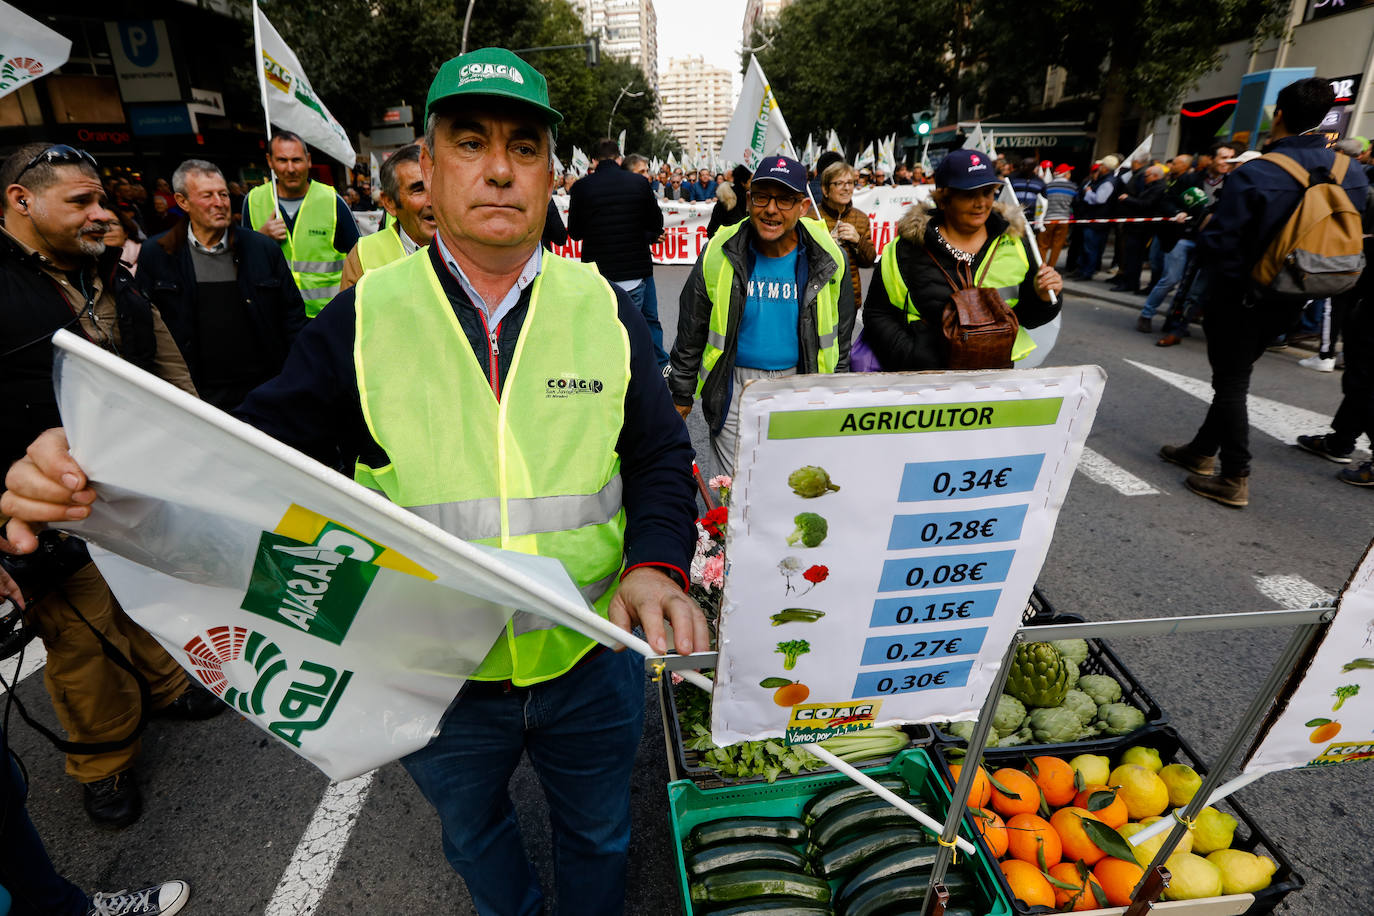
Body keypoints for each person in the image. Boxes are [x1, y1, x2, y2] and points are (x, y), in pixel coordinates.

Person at [3, 49, 706, 916]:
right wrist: (93, 465)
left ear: (549, 175)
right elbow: (243, 460)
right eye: (471, 142)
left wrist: (657, 565)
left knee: (599, 835)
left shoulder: (602, 307)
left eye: (524, 148)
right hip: (433, 675)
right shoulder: (366, 315)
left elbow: (658, 455)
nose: (498, 169)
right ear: (427, 170)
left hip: (590, 657)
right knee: (473, 837)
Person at [0, 143, 226, 830]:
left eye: (101, 199)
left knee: (145, 597)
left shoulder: (107, 273)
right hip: (49, 508)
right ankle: (104, 764)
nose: (101, 213)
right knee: (84, 641)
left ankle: (165, 686)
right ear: (21, 201)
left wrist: (208, 450)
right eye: (82, 201)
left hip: (134, 492)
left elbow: (167, 369)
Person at [1161, 78, 1369, 507]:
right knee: (1235, 375)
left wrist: (1205, 229)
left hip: (1243, 294)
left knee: (1231, 381)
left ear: (1279, 115)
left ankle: (1234, 476)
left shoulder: (1257, 172)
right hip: (1303, 289)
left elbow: (1220, 244)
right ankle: (1201, 449)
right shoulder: (1351, 171)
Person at [670, 156, 854, 473]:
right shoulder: (718, 251)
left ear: (803, 206)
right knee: (730, 492)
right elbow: (691, 330)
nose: (771, 209)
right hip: (733, 388)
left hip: (800, 384)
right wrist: (681, 393)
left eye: (784, 199)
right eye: (762, 197)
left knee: (789, 483)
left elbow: (841, 336)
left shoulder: (829, 257)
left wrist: (834, 392)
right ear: (748, 200)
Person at [862, 148, 1062, 371]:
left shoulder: (1016, 244)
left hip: (995, 378)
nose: (981, 203)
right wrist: (914, 356)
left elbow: (1030, 318)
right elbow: (877, 314)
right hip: (923, 381)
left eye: (987, 192)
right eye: (969, 194)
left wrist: (1043, 298)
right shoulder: (904, 250)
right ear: (943, 199)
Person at [136, 159, 307, 411]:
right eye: (208, 195)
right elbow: (145, 328)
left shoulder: (262, 249)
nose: (220, 202)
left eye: (223, 194)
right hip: (195, 395)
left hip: (264, 390)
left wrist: (292, 379)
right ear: (182, 202)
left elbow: (293, 317)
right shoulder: (158, 253)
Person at [568, 138, 669, 368]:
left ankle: (609, 375)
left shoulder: (581, 188)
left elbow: (575, 232)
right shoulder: (639, 183)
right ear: (619, 158)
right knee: (639, 329)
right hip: (636, 272)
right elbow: (656, 223)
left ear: (593, 161)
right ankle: (650, 373)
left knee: (604, 330)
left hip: (599, 275)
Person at [243, 130, 360, 317]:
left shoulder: (331, 200)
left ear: (308, 160)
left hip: (325, 316)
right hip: (275, 316)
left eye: (296, 160)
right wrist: (260, 239)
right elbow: (241, 261)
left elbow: (359, 257)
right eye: (282, 160)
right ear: (270, 161)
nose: (290, 168)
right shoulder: (253, 201)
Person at [340, 143, 435, 289]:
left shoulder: (471, 241)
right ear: (390, 202)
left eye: (437, 185)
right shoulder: (364, 255)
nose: (433, 201)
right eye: (418, 190)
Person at [817, 161, 876, 308]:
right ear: (825, 189)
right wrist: (824, 244)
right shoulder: (811, 216)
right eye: (839, 183)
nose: (847, 188)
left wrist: (858, 241)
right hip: (819, 297)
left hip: (849, 298)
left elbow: (869, 261)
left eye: (850, 183)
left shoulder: (861, 218)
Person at [1112, 163, 1166, 295]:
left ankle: (1130, 283)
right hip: (1136, 226)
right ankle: (1129, 281)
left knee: (1134, 257)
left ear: (1155, 176)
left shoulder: (1158, 188)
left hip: (1141, 228)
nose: (1144, 178)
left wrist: (1128, 199)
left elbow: (1146, 204)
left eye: (1146, 176)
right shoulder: (1151, 187)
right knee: (1131, 256)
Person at [1072, 155, 1119, 279]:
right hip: (1092, 219)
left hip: (1096, 221)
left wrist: (1089, 192)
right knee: (1086, 247)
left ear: (1106, 168)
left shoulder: (1108, 182)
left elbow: (1100, 199)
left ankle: (1087, 272)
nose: (1100, 167)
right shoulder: (1103, 180)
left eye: (1102, 165)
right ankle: (1082, 270)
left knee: (1090, 248)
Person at [1039, 163, 1076, 269]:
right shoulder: (1073, 187)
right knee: (1057, 245)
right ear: (1066, 174)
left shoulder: (1047, 186)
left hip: (1047, 220)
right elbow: (1075, 203)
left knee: (1043, 245)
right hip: (1064, 220)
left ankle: (1042, 267)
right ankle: (1051, 267)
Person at [707, 164, 751, 238]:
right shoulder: (726, 199)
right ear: (743, 182)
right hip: (727, 242)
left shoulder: (750, 199)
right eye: (750, 181)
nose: (752, 184)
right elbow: (712, 229)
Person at [1009, 156, 1046, 221]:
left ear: (1033, 167)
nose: (1023, 167)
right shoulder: (1012, 178)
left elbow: (1044, 199)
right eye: (1022, 165)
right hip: (1014, 214)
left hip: (1032, 216)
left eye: (1026, 166)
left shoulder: (1039, 182)